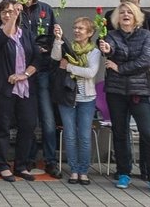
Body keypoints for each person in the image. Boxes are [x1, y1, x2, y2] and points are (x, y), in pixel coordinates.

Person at [100, 2, 150, 195]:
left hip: (139, 92)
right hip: (116, 92)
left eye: (129, 12)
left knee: (148, 134)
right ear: (116, 18)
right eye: (121, 12)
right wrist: (106, 49)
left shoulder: (146, 35)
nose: (125, 14)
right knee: (120, 133)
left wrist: (120, 68)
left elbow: (146, 61)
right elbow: (109, 48)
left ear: (136, 15)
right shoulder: (111, 35)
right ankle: (123, 172)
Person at [0, 0, 38, 182]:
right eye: (4, 12)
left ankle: (21, 165)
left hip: (25, 88)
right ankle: (2, 165)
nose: (8, 14)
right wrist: (12, 19)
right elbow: (0, 41)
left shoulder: (27, 34)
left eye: (12, 11)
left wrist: (25, 74)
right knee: (3, 128)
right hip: (2, 89)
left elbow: (37, 59)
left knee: (28, 125)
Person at [18, 0, 61, 178]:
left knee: (47, 117)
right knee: (26, 119)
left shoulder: (45, 9)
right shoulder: (13, 8)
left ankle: (51, 160)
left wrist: (47, 47)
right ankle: (28, 157)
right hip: (21, 72)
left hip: (42, 71)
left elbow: (52, 38)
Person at [51, 16, 100, 185]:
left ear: (90, 32)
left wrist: (69, 67)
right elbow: (56, 57)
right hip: (67, 97)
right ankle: (73, 169)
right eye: (75, 27)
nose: (77, 31)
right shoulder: (68, 47)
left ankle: (83, 171)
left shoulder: (94, 51)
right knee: (70, 135)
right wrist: (58, 40)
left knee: (84, 136)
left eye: (81, 28)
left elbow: (91, 72)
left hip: (87, 99)